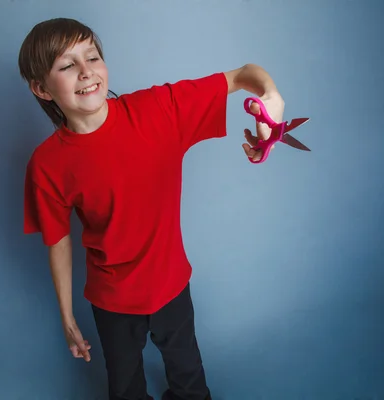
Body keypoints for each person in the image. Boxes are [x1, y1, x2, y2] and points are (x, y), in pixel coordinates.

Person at [18, 17, 285, 400]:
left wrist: (272, 102)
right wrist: (66, 315)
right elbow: (58, 241)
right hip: (111, 301)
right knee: (125, 387)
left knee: (189, 378)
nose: (86, 72)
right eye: (67, 65)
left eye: (92, 57)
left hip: (172, 285)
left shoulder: (158, 109)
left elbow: (245, 74)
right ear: (41, 88)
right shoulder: (46, 164)